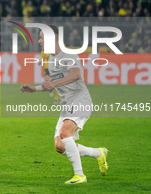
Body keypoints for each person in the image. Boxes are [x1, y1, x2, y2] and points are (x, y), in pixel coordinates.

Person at [20, 25, 108, 184]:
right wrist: (35, 89)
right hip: (67, 105)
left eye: (41, 38)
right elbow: (53, 83)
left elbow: (75, 74)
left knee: (65, 132)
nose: (39, 41)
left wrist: (54, 84)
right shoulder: (51, 59)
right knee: (60, 146)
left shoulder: (68, 55)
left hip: (81, 100)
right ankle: (98, 153)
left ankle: (79, 175)